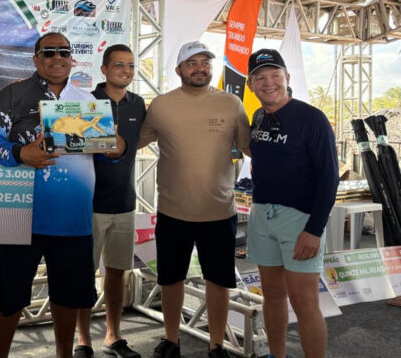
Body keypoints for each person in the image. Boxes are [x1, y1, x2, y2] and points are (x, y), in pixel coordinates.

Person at [0, 32, 126, 358]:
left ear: (72, 58)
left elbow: (108, 150)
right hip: (19, 216)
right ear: (36, 59)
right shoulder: (11, 95)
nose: (57, 58)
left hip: (74, 221)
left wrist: (117, 146)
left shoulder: (87, 101)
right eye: (49, 53)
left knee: (69, 297)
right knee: (10, 297)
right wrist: (19, 153)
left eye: (64, 52)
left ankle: (64, 355)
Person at [137, 41, 250, 358]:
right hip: (173, 212)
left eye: (205, 62)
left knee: (219, 281)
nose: (200, 68)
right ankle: (171, 340)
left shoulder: (231, 103)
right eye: (191, 63)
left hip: (219, 211)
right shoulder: (161, 105)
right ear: (179, 70)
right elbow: (131, 143)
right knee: (171, 280)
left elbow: (252, 147)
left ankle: (217, 345)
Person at [245, 49, 338, 358]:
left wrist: (314, 229)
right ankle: (277, 355)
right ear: (251, 84)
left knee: (304, 301)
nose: (268, 83)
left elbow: (329, 178)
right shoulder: (258, 117)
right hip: (262, 214)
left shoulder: (311, 118)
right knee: (271, 295)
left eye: (275, 75)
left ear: (287, 78)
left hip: (299, 219)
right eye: (260, 77)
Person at [74, 45, 146, 358]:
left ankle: (113, 336)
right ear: (103, 69)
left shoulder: (139, 103)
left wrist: (123, 145)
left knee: (116, 273)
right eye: (119, 65)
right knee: (82, 275)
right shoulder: (85, 102)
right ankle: (82, 339)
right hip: (88, 205)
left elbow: (137, 142)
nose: (126, 71)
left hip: (124, 204)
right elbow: (72, 144)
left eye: (131, 65)